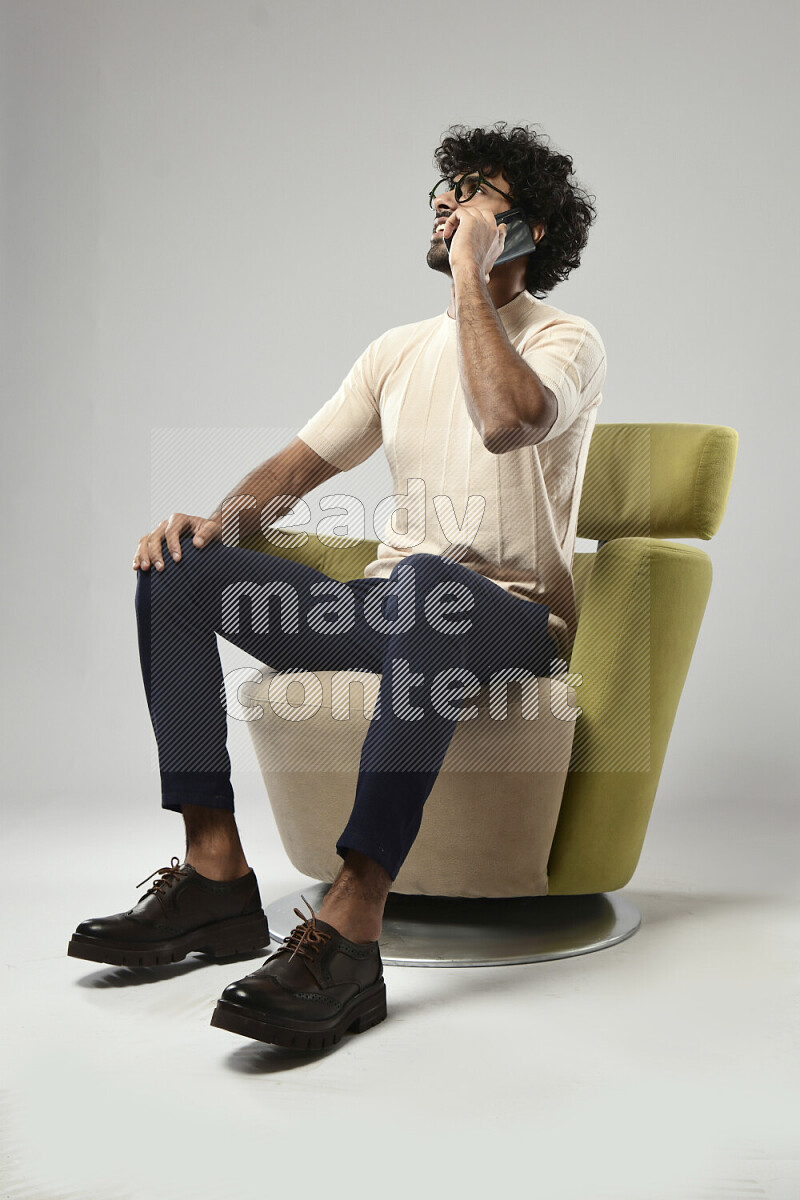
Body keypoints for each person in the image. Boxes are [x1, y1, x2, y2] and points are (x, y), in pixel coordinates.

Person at [67, 121, 607, 1051]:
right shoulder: (395, 350)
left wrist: (472, 278)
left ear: (531, 230)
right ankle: (214, 879)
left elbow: (506, 419)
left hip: (508, 620)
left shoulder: (566, 340)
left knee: (434, 588)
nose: (445, 205)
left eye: (473, 195)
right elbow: (296, 470)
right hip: (391, 608)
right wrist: (209, 527)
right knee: (179, 574)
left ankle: (353, 928)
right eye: (443, 192)